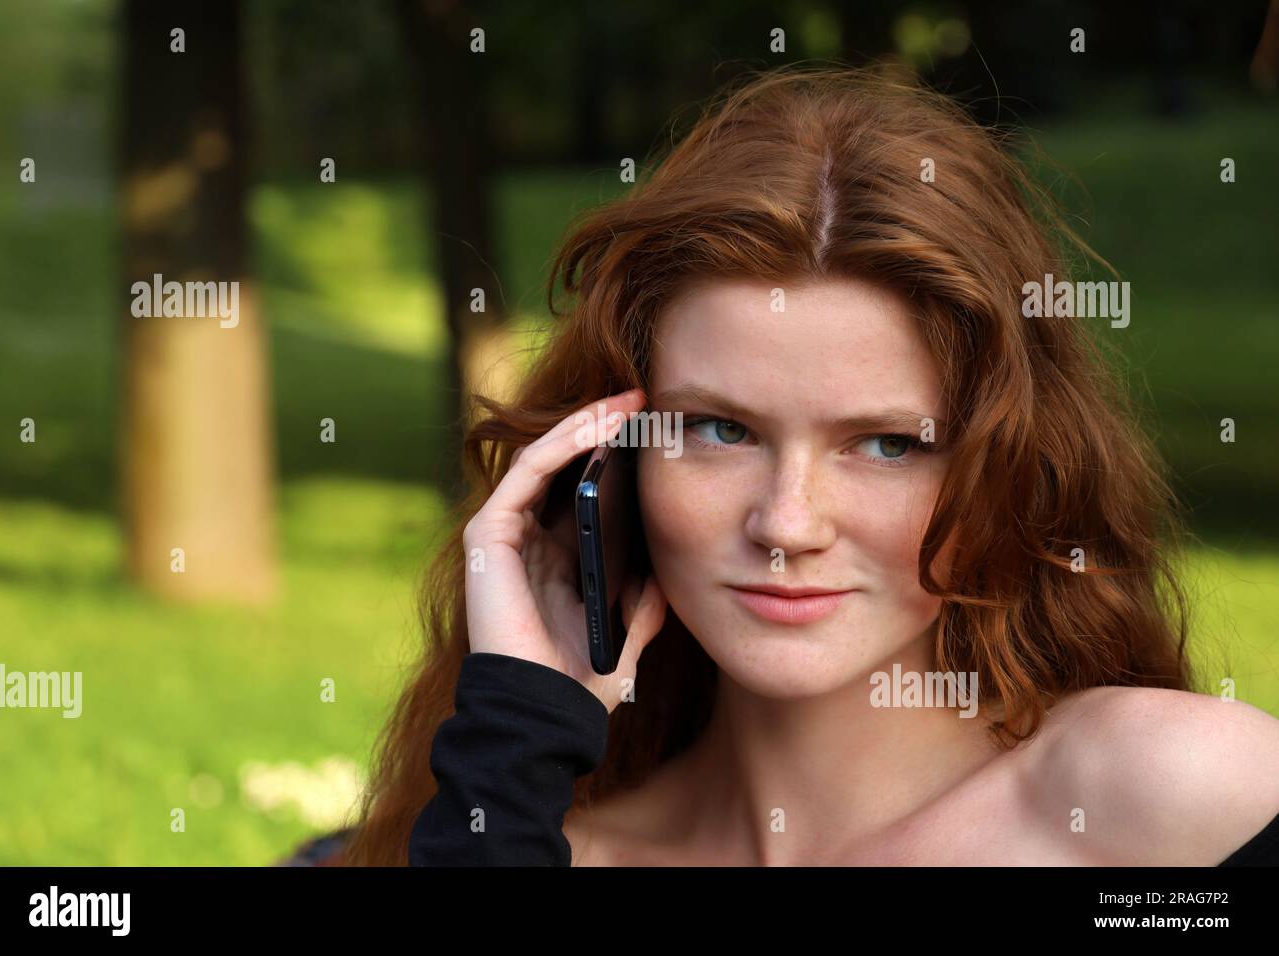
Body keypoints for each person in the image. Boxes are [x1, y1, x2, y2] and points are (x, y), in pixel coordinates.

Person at [338, 64, 1279, 867]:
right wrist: (518, 737)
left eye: (887, 445)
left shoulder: (1166, 804)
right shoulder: (525, 844)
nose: (788, 525)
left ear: (1007, 464)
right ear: (602, 468)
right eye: (719, 430)